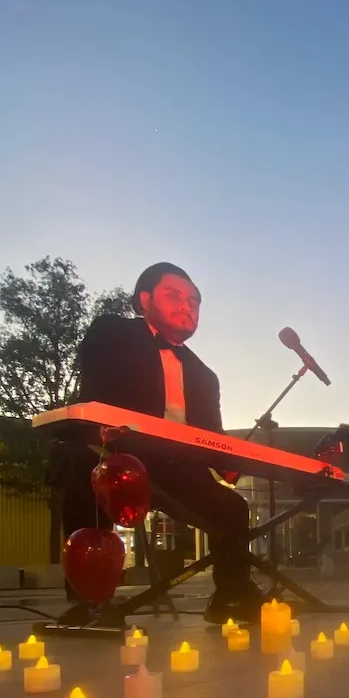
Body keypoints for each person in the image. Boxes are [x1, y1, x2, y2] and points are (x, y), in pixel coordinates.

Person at [59, 262, 264, 624]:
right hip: (117, 452)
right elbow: (96, 388)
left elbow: (211, 436)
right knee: (83, 475)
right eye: (175, 296)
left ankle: (231, 594)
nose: (188, 306)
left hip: (177, 469)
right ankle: (88, 599)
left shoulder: (204, 374)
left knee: (233, 508)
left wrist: (232, 463)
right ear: (144, 299)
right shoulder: (113, 332)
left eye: (195, 302)